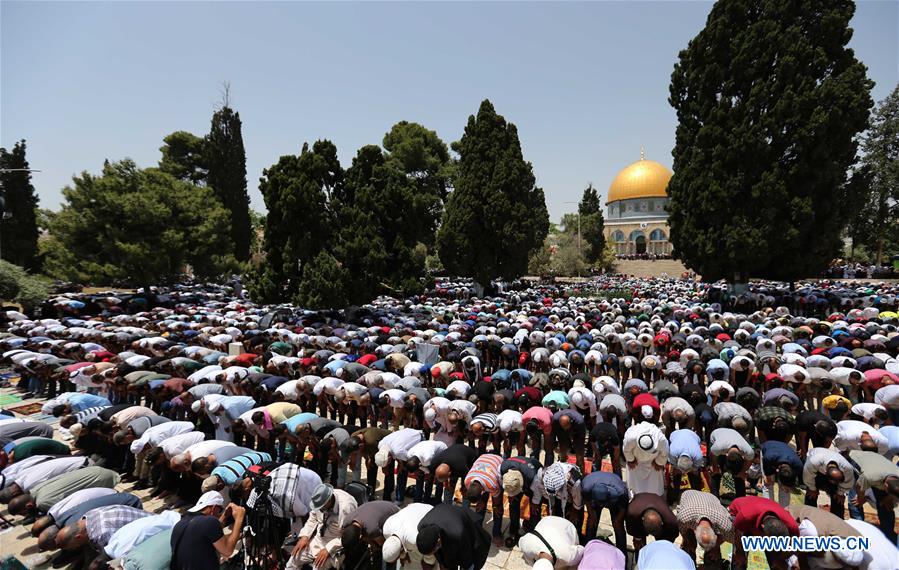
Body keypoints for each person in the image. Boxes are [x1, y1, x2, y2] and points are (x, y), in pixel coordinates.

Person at [170, 490, 246, 570]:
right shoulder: (209, 522)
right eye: (219, 510)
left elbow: (211, 533)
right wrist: (239, 519)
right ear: (213, 508)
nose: (219, 513)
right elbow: (228, 551)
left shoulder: (180, 523)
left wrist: (224, 516)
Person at [288, 484, 357, 570]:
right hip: (319, 539)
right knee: (295, 557)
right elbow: (313, 518)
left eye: (322, 507)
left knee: (318, 567)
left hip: (336, 543)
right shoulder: (319, 501)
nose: (320, 510)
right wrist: (305, 536)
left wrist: (328, 549)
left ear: (329, 500)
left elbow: (348, 537)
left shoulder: (346, 507)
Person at [729, 496, 799, 570]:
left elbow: (795, 547)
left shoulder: (792, 525)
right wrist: (740, 552)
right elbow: (737, 532)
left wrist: (787, 559)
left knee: (776, 559)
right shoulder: (745, 516)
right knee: (740, 559)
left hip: (761, 511)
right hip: (739, 513)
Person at [416, 502, 491, 570]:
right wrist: (442, 564)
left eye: (432, 552)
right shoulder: (421, 527)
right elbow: (439, 553)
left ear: (438, 542)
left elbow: (466, 555)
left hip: (463, 522)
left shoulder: (458, 534)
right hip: (443, 516)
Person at [848, 449, 899, 543]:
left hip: (876, 464)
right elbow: (859, 486)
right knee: (854, 501)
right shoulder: (870, 476)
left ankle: (889, 538)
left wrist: (888, 498)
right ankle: (859, 532)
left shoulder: (895, 477)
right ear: (885, 486)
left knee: (887, 506)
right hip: (854, 462)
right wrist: (861, 498)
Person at [675, 489, 734, 565]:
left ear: (715, 534)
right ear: (695, 531)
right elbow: (683, 531)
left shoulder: (725, 524)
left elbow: (728, 537)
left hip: (712, 498)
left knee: (713, 555)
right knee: (689, 547)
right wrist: (688, 542)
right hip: (690, 495)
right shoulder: (684, 518)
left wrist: (715, 548)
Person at [581, 471, 628, 552]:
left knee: (619, 526)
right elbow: (587, 501)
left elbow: (623, 507)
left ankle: (622, 555)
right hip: (595, 496)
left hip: (612, 496)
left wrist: (618, 519)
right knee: (591, 522)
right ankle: (588, 550)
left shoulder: (621, 492)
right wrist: (592, 515)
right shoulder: (586, 488)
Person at [802, 447, 856, 519]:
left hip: (830, 470)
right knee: (811, 494)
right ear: (825, 473)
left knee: (838, 498)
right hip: (815, 468)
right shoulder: (814, 461)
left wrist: (840, 493)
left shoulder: (847, 468)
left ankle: (837, 521)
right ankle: (809, 518)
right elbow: (808, 475)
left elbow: (848, 482)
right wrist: (812, 488)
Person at [518, 516, 585, 569]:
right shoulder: (527, 545)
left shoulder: (568, 556)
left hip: (567, 526)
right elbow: (520, 542)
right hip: (546, 521)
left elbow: (582, 550)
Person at [381, 502, 435, 568]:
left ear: (400, 551)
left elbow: (430, 545)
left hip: (430, 511)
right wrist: (403, 556)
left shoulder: (413, 540)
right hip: (414, 507)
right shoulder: (386, 529)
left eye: (397, 558)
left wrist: (428, 562)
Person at [625, 492, 679, 556]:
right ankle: (640, 557)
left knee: (663, 546)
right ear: (642, 520)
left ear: (662, 522)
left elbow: (672, 536)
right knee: (639, 545)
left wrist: (664, 546)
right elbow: (631, 528)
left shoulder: (671, 520)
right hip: (640, 500)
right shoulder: (632, 512)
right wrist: (637, 538)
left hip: (656, 499)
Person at [622, 422, 669, 495]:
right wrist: (631, 460)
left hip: (653, 462)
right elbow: (626, 450)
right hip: (636, 461)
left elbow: (665, 452)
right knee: (635, 485)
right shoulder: (631, 438)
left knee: (654, 486)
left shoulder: (660, 439)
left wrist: (659, 462)